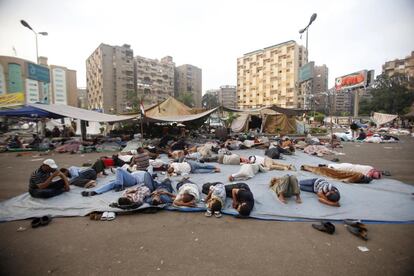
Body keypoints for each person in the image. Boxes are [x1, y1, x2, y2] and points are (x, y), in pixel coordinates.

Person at [81, 168, 153, 196]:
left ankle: (119, 185)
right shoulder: (136, 171)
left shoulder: (145, 173)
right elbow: (128, 173)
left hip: (133, 180)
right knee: (111, 184)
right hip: (126, 180)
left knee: (119, 169)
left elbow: (150, 173)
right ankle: (95, 192)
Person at [301, 165, 372, 183]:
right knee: (325, 171)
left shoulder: (358, 175)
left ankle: (306, 167)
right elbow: (347, 179)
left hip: (339, 173)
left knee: (325, 170)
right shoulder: (358, 176)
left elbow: (347, 178)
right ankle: (307, 167)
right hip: (339, 173)